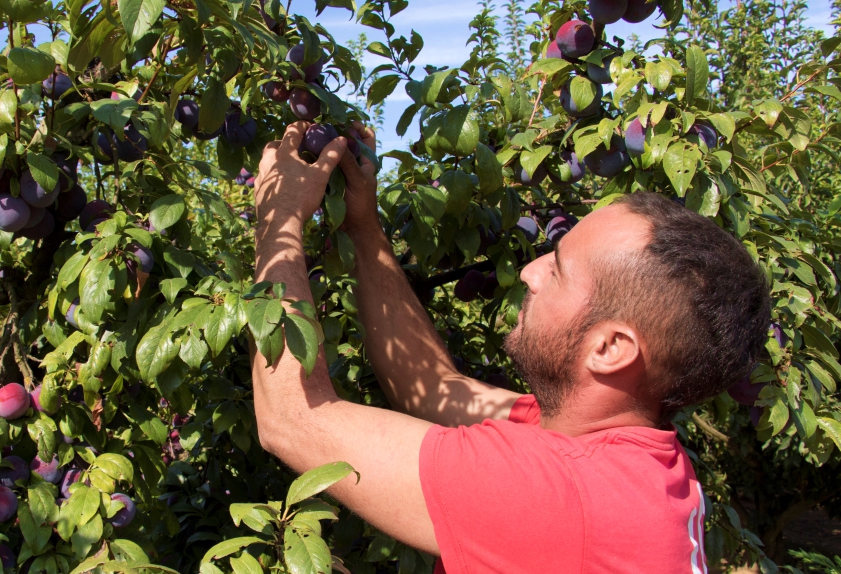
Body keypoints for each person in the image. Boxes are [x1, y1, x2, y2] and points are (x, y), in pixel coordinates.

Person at [249, 121, 771, 573]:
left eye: (559, 269)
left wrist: (278, 219)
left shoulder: (560, 495)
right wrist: (363, 225)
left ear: (611, 348)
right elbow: (433, 387)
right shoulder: (616, 452)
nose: (528, 271)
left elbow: (294, 420)